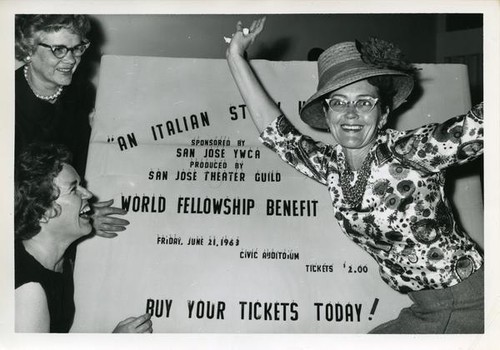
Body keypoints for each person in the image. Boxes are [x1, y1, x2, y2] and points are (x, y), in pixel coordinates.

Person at [225, 18, 484, 333]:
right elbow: (277, 133)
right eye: (339, 103)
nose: (350, 114)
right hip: (426, 307)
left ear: (383, 113)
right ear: (328, 114)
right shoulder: (332, 166)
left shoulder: (413, 150)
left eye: (364, 103)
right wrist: (236, 57)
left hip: (465, 304)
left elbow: (480, 125)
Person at [14, 143, 153, 333]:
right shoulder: (28, 293)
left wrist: (85, 217)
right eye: (74, 189)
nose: (88, 194)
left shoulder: (55, 256)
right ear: (43, 212)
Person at [15, 15, 127, 238]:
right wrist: (79, 214)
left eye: (77, 48)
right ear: (28, 49)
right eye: (58, 49)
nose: (71, 60)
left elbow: (82, 162)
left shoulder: (81, 92)